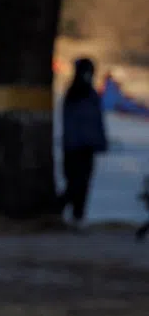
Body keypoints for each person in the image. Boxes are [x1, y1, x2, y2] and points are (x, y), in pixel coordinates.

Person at [58, 58, 107, 229]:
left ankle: (77, 216)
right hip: (74, 147)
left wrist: (100, 141)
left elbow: (97, 121)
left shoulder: (90, 94)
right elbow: (71, 123)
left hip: (87, 147)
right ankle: (60, 209)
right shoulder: (73, 94)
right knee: (75, 183)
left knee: (83, 183)